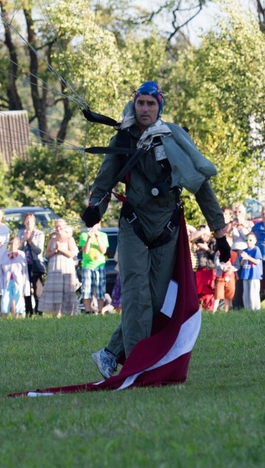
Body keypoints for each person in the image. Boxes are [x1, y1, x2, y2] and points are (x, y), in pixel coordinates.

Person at [82, 81, 225, 380]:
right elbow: (104, 183)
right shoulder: (122, 139)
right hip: (134, 225)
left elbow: (201, 187)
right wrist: (95, 207)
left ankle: (109, 353)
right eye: (140, 103)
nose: (145, 109)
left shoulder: (174, 139)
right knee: (136, 295)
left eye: (150, 103)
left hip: (167, 228)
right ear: (134, 104)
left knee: (157, 301)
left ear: (159, 105)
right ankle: (136, 366)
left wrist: (219, 232)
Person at [40, 220, 79, 316]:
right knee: (55, 289)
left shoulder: (69, 239)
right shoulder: (52, 239)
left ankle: (69, 311)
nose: (58, 228)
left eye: (60, 226)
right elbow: (47, 254)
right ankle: (57, 312)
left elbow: (71, 253)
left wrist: (61, 249)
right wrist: (55, 250)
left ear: (65, 227)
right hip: (54, 267)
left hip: (66, 267)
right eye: (57, 226)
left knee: (67, 288)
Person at [19, 213, 47, 316]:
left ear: (34, 222)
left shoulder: (39, 234)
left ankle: (39, 312)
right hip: (24, 265)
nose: (29, 223)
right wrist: (23, 241)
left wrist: (30, 241)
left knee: (37, 290)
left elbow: (39, 250)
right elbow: (18, 250)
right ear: (24, 222)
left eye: (31, 221)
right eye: (27, 220)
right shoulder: (20, 234)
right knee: (26, 290)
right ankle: (28, 313)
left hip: (36, 264)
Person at [78, 221, 108, 314]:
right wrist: (89, 238)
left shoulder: (103, 235)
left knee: (100, 289)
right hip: (87, 266)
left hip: (100, 265)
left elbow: (103, 251)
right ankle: (87, 311)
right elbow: (85, 251)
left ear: (99, 225)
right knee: (86, 289)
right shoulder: (83, 235)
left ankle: (100, 311)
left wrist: (97, 238)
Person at [0, 234, 29, 318]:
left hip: (18, 280)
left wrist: (15, 257)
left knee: (18, 297)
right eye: (11, 244)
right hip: (7, 281)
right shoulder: (5, 255)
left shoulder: (21, 254)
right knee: (5, 298)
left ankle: (17, 315)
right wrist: (9, 258)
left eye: (15, 244)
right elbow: (3, 267)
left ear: (18, 245)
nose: (13, 246)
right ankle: (4, 315)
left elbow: (23, 267)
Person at [237, 225, 262, 310]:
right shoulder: (244, 251)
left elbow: (257, 262)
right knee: (246, 294)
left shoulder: (256, 249)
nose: (248, 242)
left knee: (253, 294)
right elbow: (241, 263)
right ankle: (247, 310)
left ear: (255, 241)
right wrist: (244, 259)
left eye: (250, 240)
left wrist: (248, 257)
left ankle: (255, 310)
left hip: (254, 276)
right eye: (247, 240)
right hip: (246, 275)